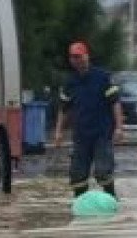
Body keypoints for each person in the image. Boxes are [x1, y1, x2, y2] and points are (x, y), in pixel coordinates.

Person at [52, 41, 124, 198]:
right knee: (77, 175)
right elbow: (63, 109)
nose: (76, 60)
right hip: (81, 136)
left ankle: (111, 198)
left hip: (102, 134)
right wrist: (58, 132)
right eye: (72, 57)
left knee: (103, 172)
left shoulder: (103, 77)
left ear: (87, 56)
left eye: (79, 56)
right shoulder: (70, 82)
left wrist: (119, 127)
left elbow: (115, 103)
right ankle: (80, 206)